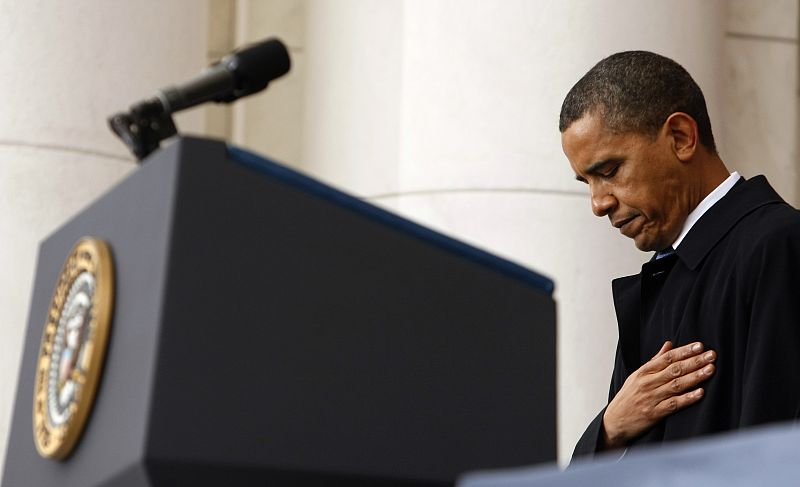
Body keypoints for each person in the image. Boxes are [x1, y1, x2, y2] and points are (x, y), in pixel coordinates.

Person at [559, 50, 800, 460]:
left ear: (681, 137)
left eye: (609, 170)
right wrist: (610, 428)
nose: (598, 203)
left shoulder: (779, 245)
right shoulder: (663, 276)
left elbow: (777, 456)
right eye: (587, 181)